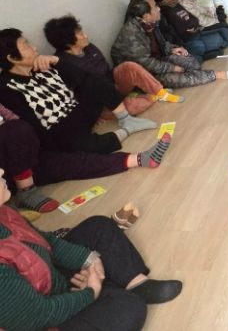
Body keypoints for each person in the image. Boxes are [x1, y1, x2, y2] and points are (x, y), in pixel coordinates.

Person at [0, 167, 182, 330]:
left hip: (47, 277)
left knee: (99, 227)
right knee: (129, 309)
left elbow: (44, 241)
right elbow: (37, 316)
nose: (1, 171)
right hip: (43, 319)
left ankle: (137, 284)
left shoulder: (5, 212)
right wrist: (90, 292)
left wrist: (89, 259)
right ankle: (109, 287)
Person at [0, 28, 156, 156]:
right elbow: (34, 126)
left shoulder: (41, 64)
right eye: (26, 45)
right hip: (62, 130)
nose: (34, 47)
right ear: (13, 58)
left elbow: (82, 78)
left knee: (95, 80)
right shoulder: (7, 88)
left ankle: (126, 119)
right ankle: (127, 130)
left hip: (78, 111)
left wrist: (57, 61)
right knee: (89, 147)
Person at [0, 104, 171, 213]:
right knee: (15, 131)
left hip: (18, 161)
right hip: (9, 170)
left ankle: (140, 159)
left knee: (71, 162)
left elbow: (12, 117)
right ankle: (26, 192)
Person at [44, 15, 184, 117]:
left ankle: (160, 93)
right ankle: (148, 97)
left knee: (129, 66)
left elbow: (104, 68)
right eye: (80, 34)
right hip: (101, 101)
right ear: (68, 42)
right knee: (133, 107)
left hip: (112, 81)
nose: (85, 35)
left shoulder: (89, 47)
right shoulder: (64, 63)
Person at [111, 0, 228, 89]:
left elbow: (162, 43)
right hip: (142, 73)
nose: (159, 8)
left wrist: (173, 48)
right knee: (175, 77)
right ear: (147, 16)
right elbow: (146, 64)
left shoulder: (150, 24)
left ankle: (195, 75)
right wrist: (172, 68)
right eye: (155, 7)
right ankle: (212, 75)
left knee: (192, 63)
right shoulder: (131, 34)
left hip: (157, 60)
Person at [150, 0, 228, 62]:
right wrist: (189, 30)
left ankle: (205, 53)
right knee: (202, 45)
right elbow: (175, 33)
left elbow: (193, 18)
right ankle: (203, 55)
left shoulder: (176, 4)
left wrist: (194, 26)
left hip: (196, 33)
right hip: (189, 40)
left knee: (223, 32)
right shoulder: (165, 11)